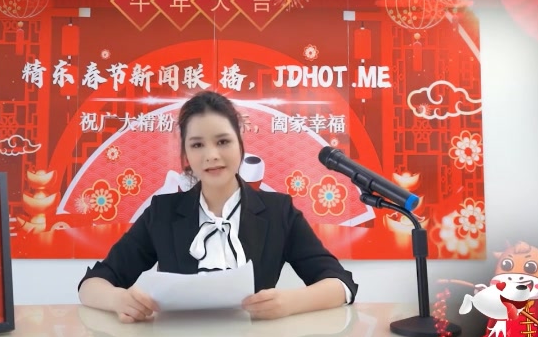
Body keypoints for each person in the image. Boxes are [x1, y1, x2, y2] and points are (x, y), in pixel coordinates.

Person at [78, 91, 358, 323]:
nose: (211, 155)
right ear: (186, 153)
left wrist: (289, 302)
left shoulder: (278, 211)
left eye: (223, 141)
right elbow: (92, 284)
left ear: (240, 144)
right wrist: (119, 300)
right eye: (197, 145)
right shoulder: (162, 212)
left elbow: (341, 284)